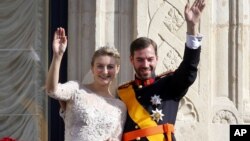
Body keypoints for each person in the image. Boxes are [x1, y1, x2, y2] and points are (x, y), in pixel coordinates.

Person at [117, 0, 206, 141]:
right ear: (131, 60)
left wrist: (192, 27)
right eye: (140, 59)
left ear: (157, 59)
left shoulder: (169, 85)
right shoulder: (122, 93)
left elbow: (189, 69)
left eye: (150, 59)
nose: (145, 64)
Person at [45, 27, 127, 141]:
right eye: (100, 66)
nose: (105, 71)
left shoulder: (120, 106)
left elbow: (116, 138)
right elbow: (51, 90)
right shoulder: (76, 89)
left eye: (110, 67)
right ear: (92, 68)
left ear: (117, 69)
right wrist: (57, 56)